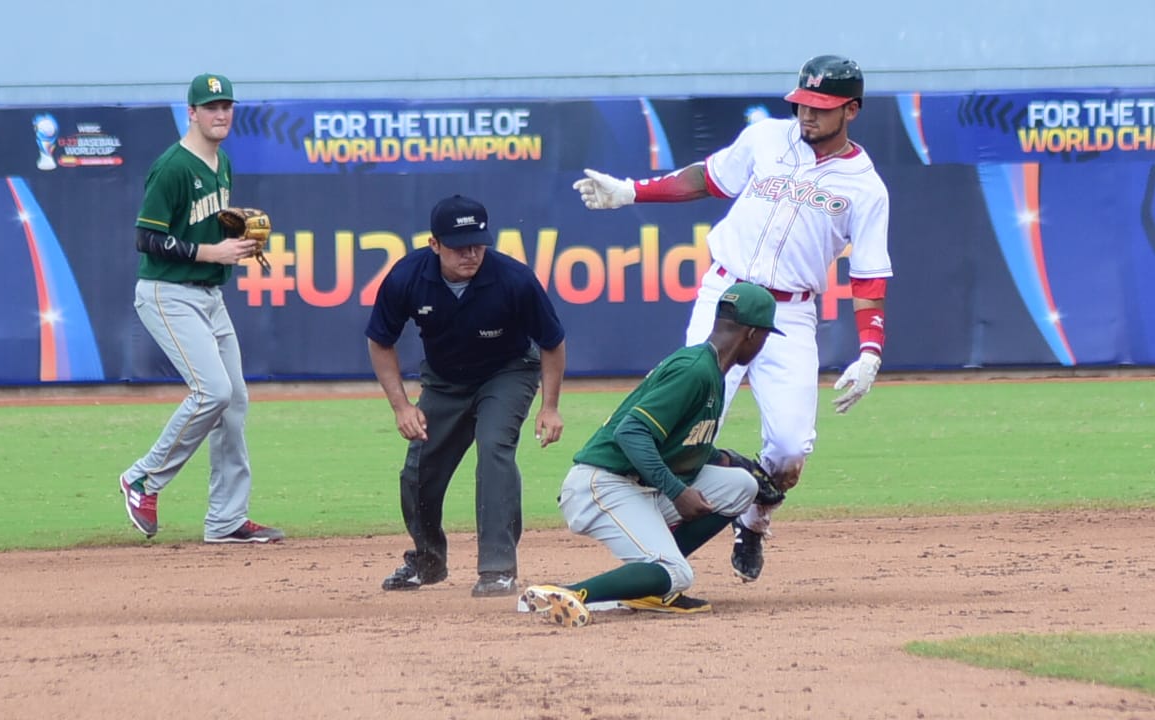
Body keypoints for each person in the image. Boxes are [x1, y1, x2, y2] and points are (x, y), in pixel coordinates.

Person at [572, 54, 891, 583]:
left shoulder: (866, 186)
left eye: (822, 107)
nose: (807, 115)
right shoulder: (765, 138)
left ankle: (754, 520)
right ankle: (658, 547)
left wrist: (870, 351)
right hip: (726, 296)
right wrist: (633, 190)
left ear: (852, 109)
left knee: (789, 449)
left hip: (788, 315)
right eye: (802, 104)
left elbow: (870, 277)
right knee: (690, 425)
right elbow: (708, 179)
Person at [522, 282, 780, 628]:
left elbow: (680, 444)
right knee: (678, 573)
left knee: (741, 486)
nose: (763, 344)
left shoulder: (710, 370)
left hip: (637, 485)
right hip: (602, 484)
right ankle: (569, 593)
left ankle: (649, 585)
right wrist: (677, 491)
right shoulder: (696, 370)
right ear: (751, 333)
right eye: (764, 335)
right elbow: (632, 433)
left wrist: (728, 461)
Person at [366, 194, 566, 598]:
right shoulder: (407, 277)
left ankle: (498, 568)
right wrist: (402, 406)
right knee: (419, 470)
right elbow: (379, 340)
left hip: (507, 372)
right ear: (434, 244)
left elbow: (552, 342)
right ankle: (427, 560)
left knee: (494, 450)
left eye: (478, 243)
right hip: (444, 381)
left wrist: (549, 406)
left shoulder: (514, 279)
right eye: (458, 246)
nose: (470, 254)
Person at [118, 73, 284, 544]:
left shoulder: (222, 163)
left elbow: (204, 232)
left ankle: (227, 519)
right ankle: (143, 478)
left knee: (234, 403)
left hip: (210, 297)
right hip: (167, 293)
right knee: (212, 390)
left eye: (226, 105)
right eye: (210, 106)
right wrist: (210, 253)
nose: (221, 113)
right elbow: (145, 238)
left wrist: (236, 245)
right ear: (191, 112)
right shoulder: (172, 167)